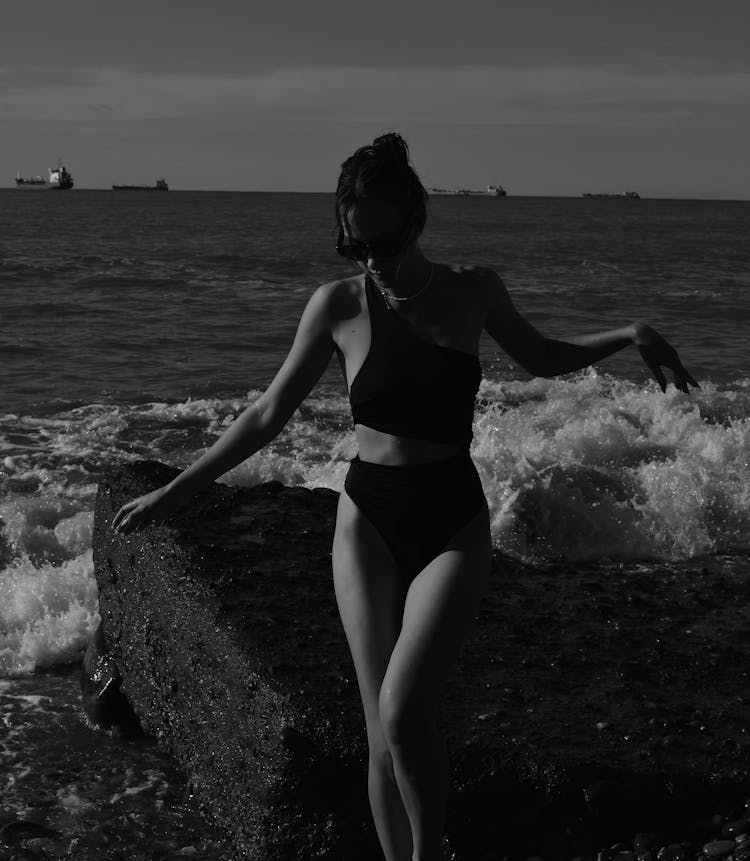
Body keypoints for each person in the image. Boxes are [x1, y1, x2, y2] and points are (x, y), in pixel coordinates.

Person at [112, 133, 698, 861]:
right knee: (380, 729)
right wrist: (176, 490)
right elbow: (267, 416)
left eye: (380, 246)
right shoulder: (336, 306)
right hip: (368, 520)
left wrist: (630, 333)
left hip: (453, 516)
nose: (371, 263)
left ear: (415, 220)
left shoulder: (474, 289)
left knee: (406, 707)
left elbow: (544, 355)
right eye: (353, 247)